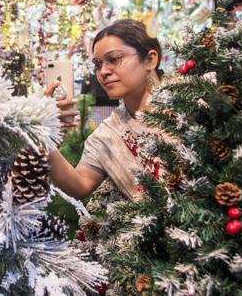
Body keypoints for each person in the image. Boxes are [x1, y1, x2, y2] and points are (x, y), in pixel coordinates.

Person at [46, 19, 164, 200]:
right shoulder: (107, 135)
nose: (103, 72)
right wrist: (41, 134)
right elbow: (80, 185)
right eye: (98, 64)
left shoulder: (191, 104)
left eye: (114, 59)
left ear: (150, 59)